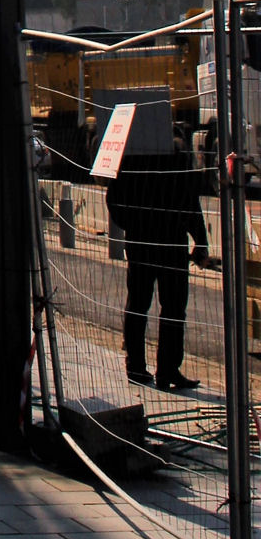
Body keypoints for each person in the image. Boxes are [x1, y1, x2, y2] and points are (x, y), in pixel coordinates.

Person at [106, 148, 210, 390]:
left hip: (142, 241)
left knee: (139, 304)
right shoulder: (176, 155)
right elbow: (191, 203)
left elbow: (114, 199)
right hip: (171, 241)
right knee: (172, 307)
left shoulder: (131, 156)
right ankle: (167, 369)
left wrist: (133, 224)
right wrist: (200, 241)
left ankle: (137, 367)